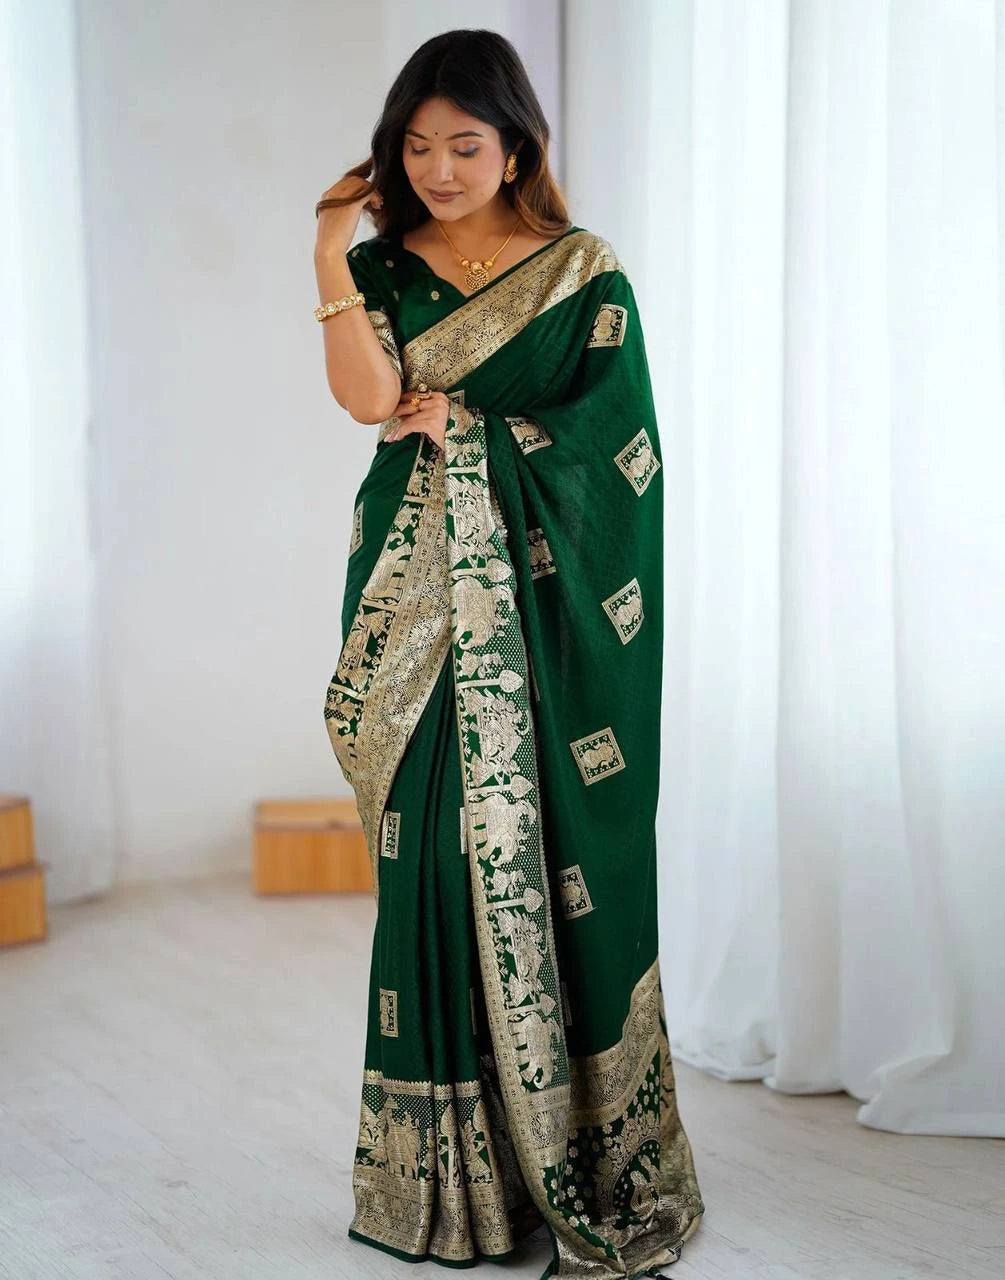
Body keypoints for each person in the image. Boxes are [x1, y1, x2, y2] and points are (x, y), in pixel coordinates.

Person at [314, 28, 705, 1280]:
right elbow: (371, 406)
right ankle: (457, 1181)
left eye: (464, 144)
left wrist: (477, 428)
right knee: (430, 854)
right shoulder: (383, 265)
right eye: (418, 146)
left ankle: (582, 1152)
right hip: (415, 592)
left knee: (548, 847)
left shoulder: (583, 274)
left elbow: (617, 454)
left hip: (549, 615)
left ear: (516, 142)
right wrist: (328, 252)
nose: (438, 167)